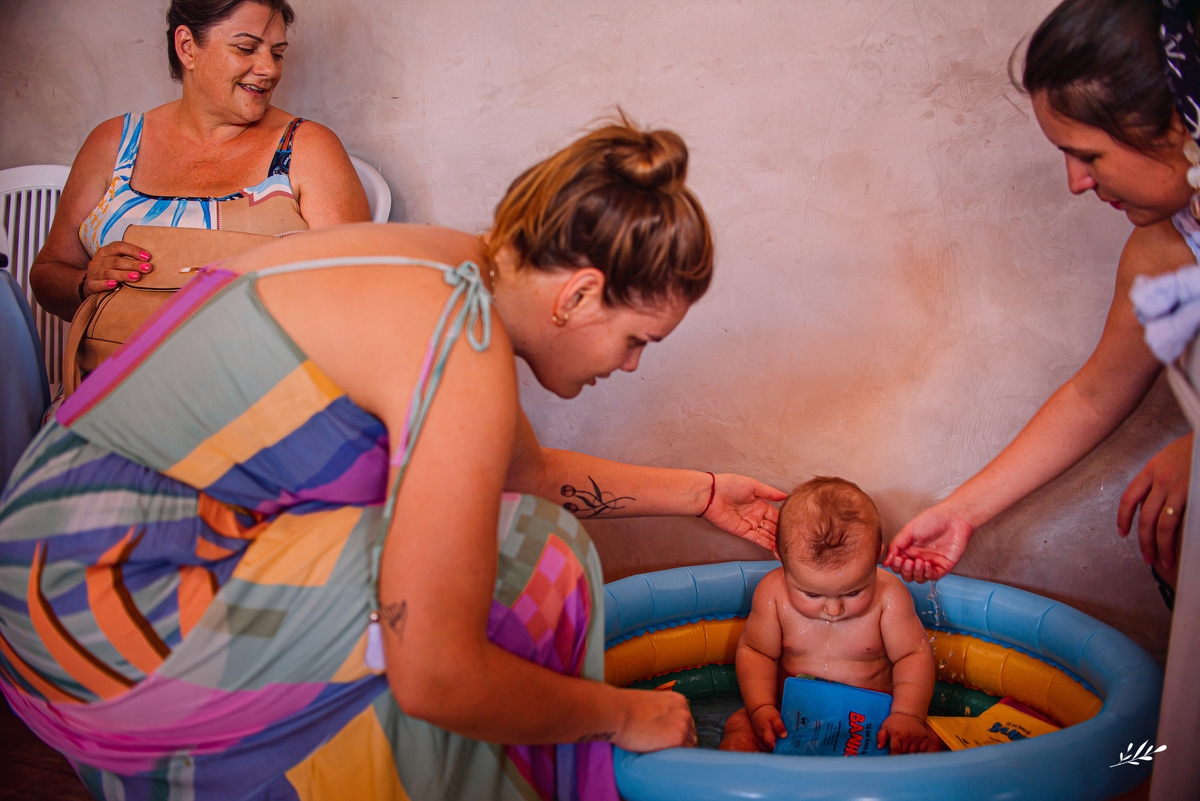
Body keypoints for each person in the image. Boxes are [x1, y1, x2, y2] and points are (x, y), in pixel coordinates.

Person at [0, 118, 786, 801]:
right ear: (578, 295)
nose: (632, 364)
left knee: (508, 533)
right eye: (637, 339)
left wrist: (704, 493)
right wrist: (627, 711)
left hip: (46, 540)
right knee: (533, 560)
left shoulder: (453, 271)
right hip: (92, 585)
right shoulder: (461, 340)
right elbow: (435, 673)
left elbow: (523, 473)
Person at [885, 0, 1197, 603]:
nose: (1076, 182)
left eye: (1089, 155)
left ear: (1179, 124)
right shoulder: (1161, 249)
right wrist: (962, 511)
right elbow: (1094, 394)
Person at [29, 0, 370, 324]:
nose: (269, 69)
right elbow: (49, 271)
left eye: (277, 53)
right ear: (188, 47)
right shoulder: (113, 142)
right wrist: (86, 283)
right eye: (246, 48)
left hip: (258, 379)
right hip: (112, 374)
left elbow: (357, 289)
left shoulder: (307, 147)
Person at [720, 477, 940, 755]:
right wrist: (761, 707)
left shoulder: (889, 596)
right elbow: (756, 651)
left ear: (877, 555)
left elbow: (913, 655)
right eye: (812, 595)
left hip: (873, 724)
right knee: (739, 729)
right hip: (791, 717)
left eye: (853, 593)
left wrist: (908, 715)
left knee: (929, 742)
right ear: (781, 557)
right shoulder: (773, 594)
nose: (834, 610)